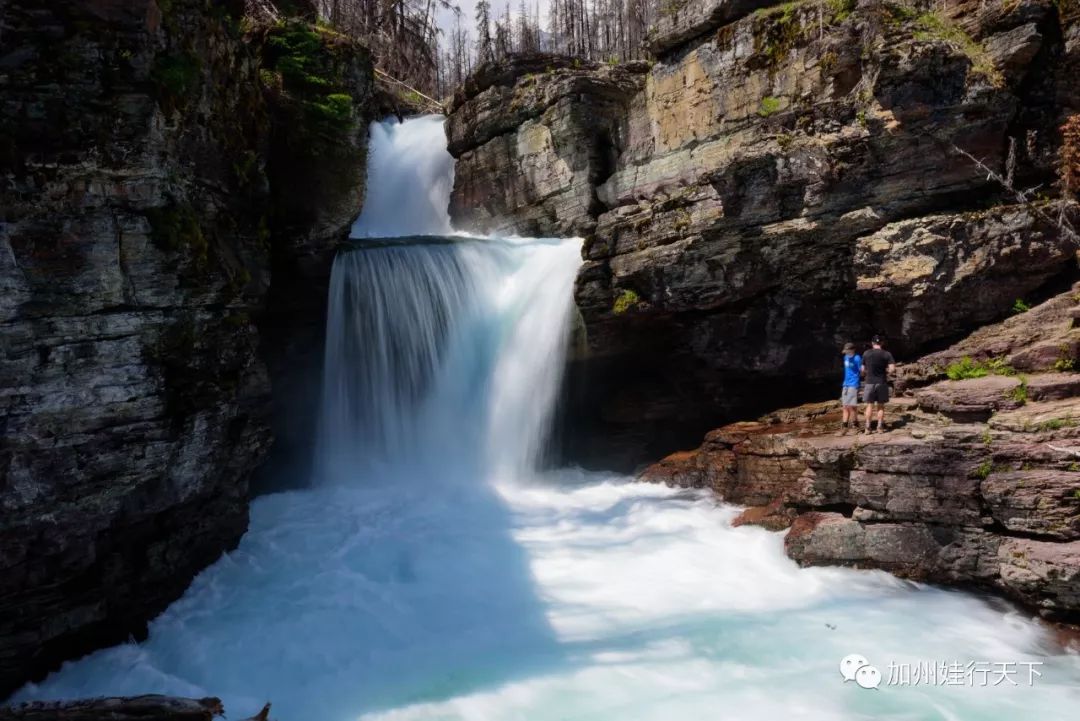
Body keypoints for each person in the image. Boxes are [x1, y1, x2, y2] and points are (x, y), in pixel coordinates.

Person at [862, 335, 896, 434]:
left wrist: (865, 374)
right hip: (882, 382)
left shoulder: (866, 353)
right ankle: (880, 427)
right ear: (882, 343)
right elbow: (892, 369)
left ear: (872, 343)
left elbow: (862, 369)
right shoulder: (887, 354)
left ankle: (868, 428)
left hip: (869, 382)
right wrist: (887, 372)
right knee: (880, 406)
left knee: (869, 405)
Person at [839, 342, 862, 435]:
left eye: (848, 351)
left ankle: (855, 425)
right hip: (846, 384)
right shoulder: (845, 357)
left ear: (853, 350)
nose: (846, 353)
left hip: (853, 384)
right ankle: (844, 427)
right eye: (845, 351)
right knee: (845, 406)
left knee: (852, 406)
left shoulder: (857, 358)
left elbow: (861, 371)